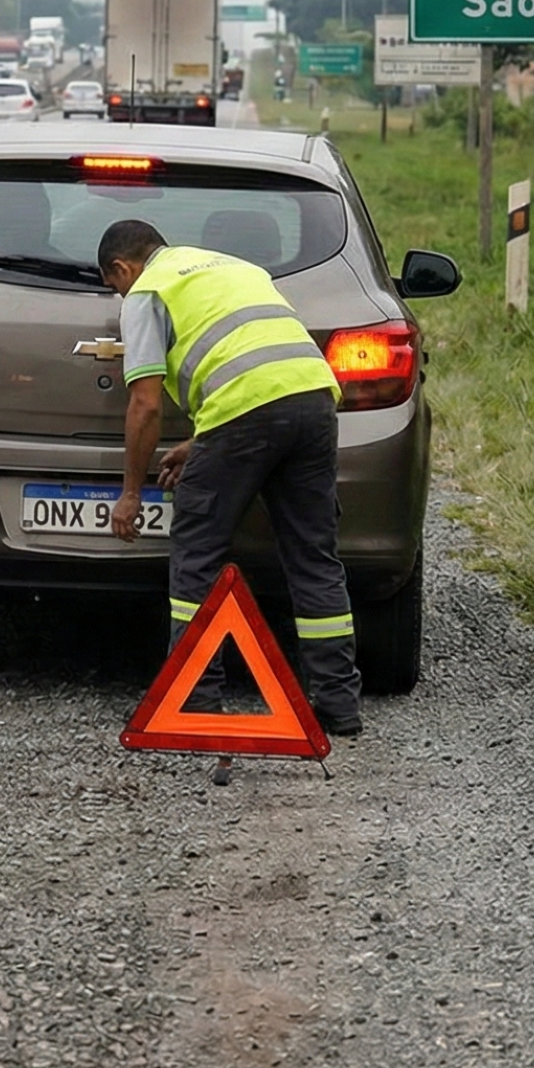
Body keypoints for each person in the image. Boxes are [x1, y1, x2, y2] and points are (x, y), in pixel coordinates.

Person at [100, 218, 360, 736]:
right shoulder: (232, 269)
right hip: (312, 399)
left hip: (247, 410)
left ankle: (197, 699)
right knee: (314, 556)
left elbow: (145, 404)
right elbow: (260, 366)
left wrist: (131, 493)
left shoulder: (147, 291)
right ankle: (338, 705)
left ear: (121, 268)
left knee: (196, 552)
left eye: (114, 286)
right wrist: (201, 444)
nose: (119, 294)